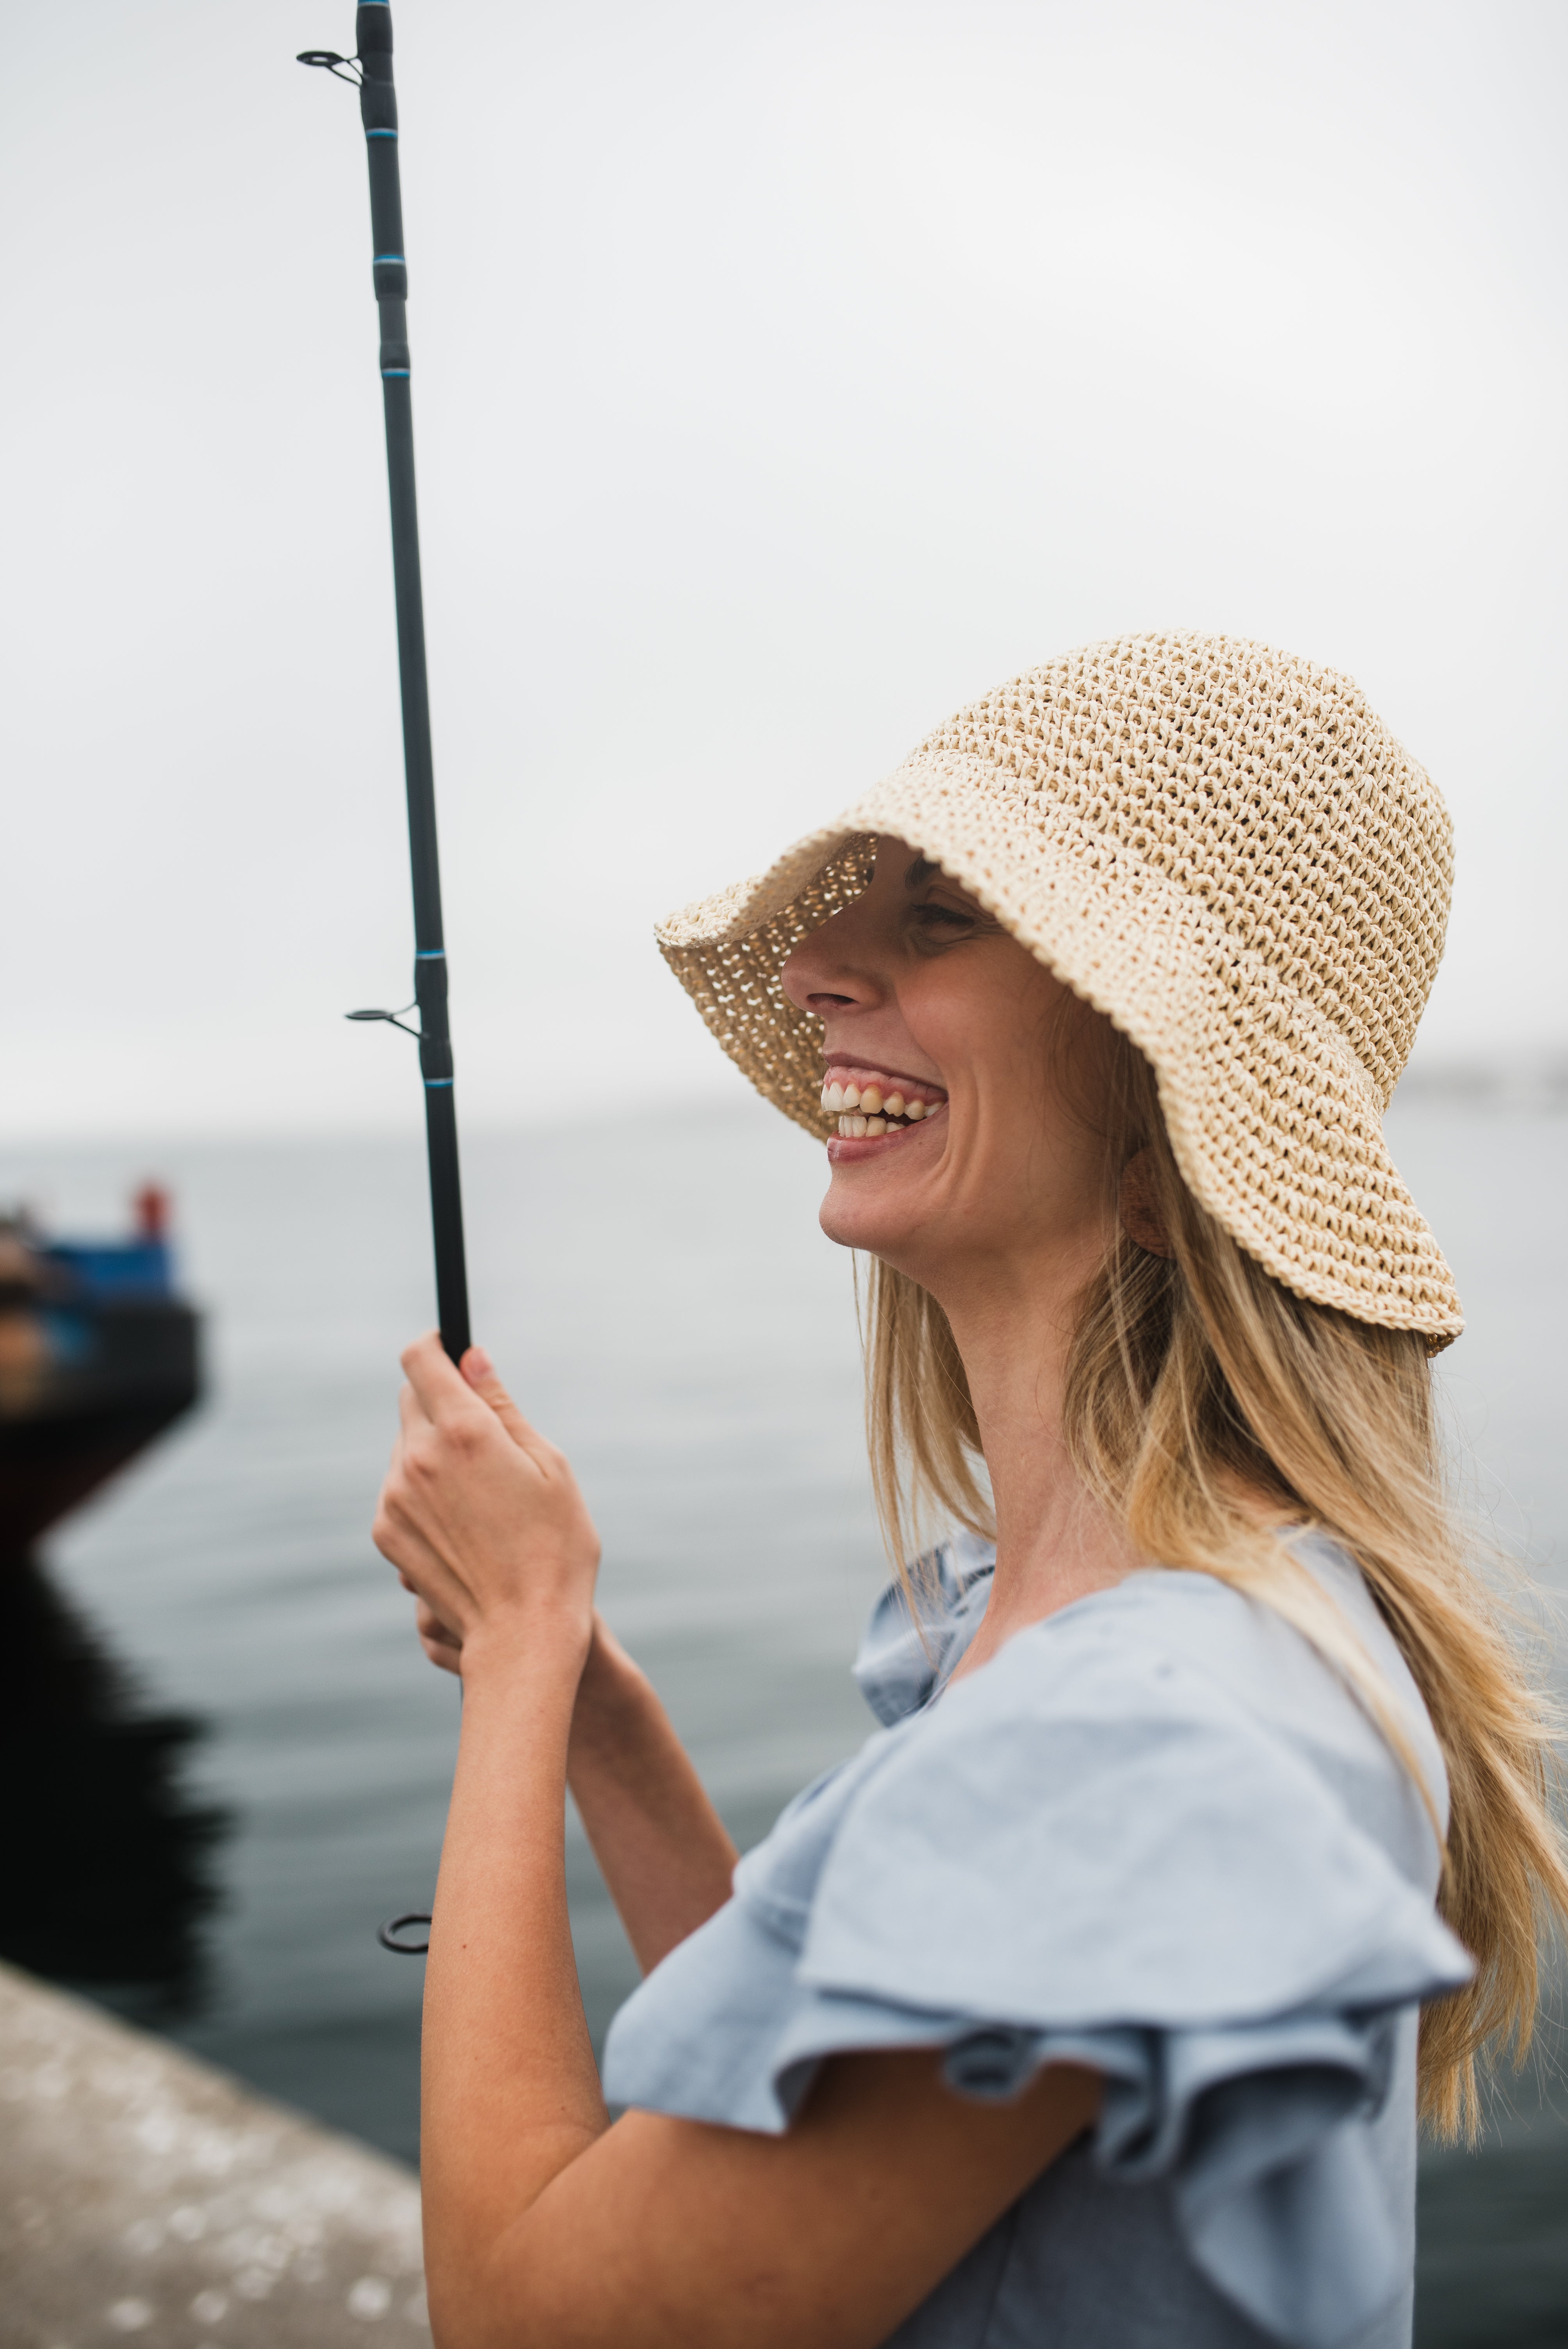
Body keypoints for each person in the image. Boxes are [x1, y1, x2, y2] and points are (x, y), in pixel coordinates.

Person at [373, 633, 1568, 2349]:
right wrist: (590, 1711)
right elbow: (816, 2115)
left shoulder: (1133, 1737)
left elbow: (521, 2320)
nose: (814, 972)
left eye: (939, 916)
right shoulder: (1163, 1624)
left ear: (1168, 1130)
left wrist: (513, 1650)